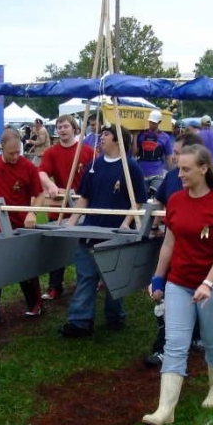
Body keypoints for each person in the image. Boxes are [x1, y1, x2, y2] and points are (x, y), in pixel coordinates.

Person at [142, 144, 213, 425]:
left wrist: (208, 283)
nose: (179, 174)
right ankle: (164, 409)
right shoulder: (176, 200)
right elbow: (169, 243)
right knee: (175, 344)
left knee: (212, 340)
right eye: (178, 168)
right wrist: (158, 277)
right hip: (179, 284)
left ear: (203, 169)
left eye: (185, 169)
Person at [59, 123, 146, 338]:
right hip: (91, 229)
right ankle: (79, 321)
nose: (101, 137)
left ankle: (115, 316)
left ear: (117, 139)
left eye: (105, 134)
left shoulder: (131, 167)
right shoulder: (93, 165)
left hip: (115, 233)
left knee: (114, 278)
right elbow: (85, 197)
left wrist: (126, 223)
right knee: (86, 276)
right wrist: (72, 221)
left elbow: (137, 202)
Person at [145, 132, 204, 368]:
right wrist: (153, 222)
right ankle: (164, 349)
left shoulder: (210, 188)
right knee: (169, 300)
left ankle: (197, 336)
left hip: (199, 257)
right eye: (175, 155)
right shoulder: (171, 178)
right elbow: (160, 205)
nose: (175, 160)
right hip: (174, 254)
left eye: (180, 155)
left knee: (197, 300)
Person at [0, 128, 44, 324]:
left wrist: (32, 212)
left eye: (18, 152)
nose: (16, 156)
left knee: (25, 267)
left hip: (20, 226)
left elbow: (39, 194)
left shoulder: (28, 167)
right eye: (11, 153)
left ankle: (35, 305)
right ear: (1, 148)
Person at [35, 115, 95, 301]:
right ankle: (55, 287)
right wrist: (50, 186)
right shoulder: (52, 152)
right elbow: (41, 172)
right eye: (59, 127)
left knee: (85, 247)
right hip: (60, 206)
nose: (62, 130)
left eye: (65, 126)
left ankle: (87, 282)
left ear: (75, 129)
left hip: (83, 206)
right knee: (57, 248)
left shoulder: (87, 151)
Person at [132, 109, 173, 199]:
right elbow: (134, 153)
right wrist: (135, 136)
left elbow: (169, 157)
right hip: (142, 173)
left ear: (159, 122)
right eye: (150, 122)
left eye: (154, 123)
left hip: (157, 173)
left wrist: (171, 174)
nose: (152, 125)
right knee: (143, 199)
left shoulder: (165, 137)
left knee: (155, 198)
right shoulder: (141, 135)